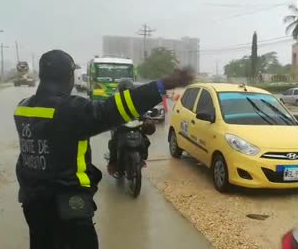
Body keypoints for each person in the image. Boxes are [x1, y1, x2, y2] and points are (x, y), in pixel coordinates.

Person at [13, 49, 194, 249]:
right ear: (68, 76)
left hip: (33, 203)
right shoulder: (70, 110)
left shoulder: (23, 108)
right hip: (69, 205)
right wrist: (163, 84)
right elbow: (114, 109)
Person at [106, 79, 155, 176]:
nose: (127, 93)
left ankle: (142, 159)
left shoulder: (138, 101)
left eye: (129, 91)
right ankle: (113, 164)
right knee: (113, 144)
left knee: (146, 141)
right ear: (121, 91)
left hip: (136, 128)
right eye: (125, 91)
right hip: (121, 129)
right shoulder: (115, 101)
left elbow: (144, 112)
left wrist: (147, 119)